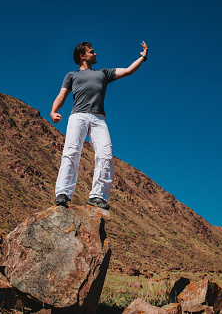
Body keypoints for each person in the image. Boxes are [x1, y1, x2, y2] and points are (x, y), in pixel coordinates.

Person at [50, 41, 148, 209]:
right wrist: (53, 111)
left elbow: (128, 70)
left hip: (98, 119)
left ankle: (98, 196)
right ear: (82, 56)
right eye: (91, 52)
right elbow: (62, 95)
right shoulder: (72, 75)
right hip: (78, 117)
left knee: (105, 154)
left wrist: (143, 57)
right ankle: (63, 193)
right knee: (71, 151)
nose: (95, 54)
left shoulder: (103, 73)